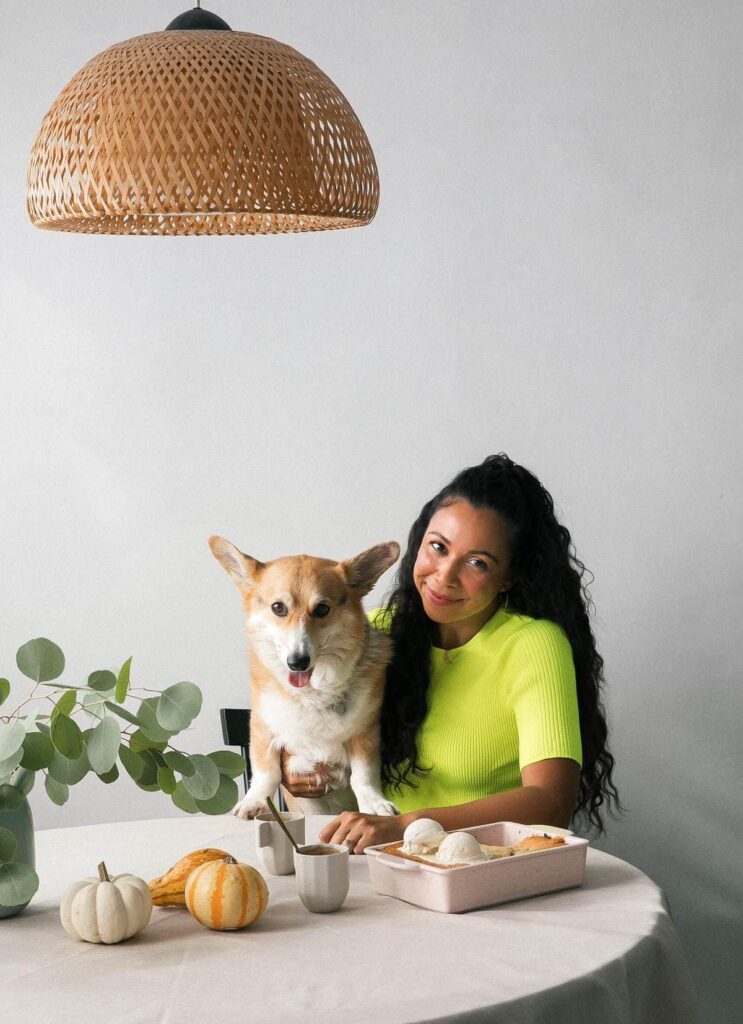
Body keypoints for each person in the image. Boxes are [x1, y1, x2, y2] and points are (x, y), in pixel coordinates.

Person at [281, 453, 620, 852]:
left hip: (489, 876)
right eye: (438, 547)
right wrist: (295, 766)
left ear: (509, 575)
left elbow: (551, 804)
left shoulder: (533, 645)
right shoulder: (376, 630)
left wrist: (407, 826)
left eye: (477, 562)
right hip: (383, 871)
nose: (444, 575)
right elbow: (313, 727)